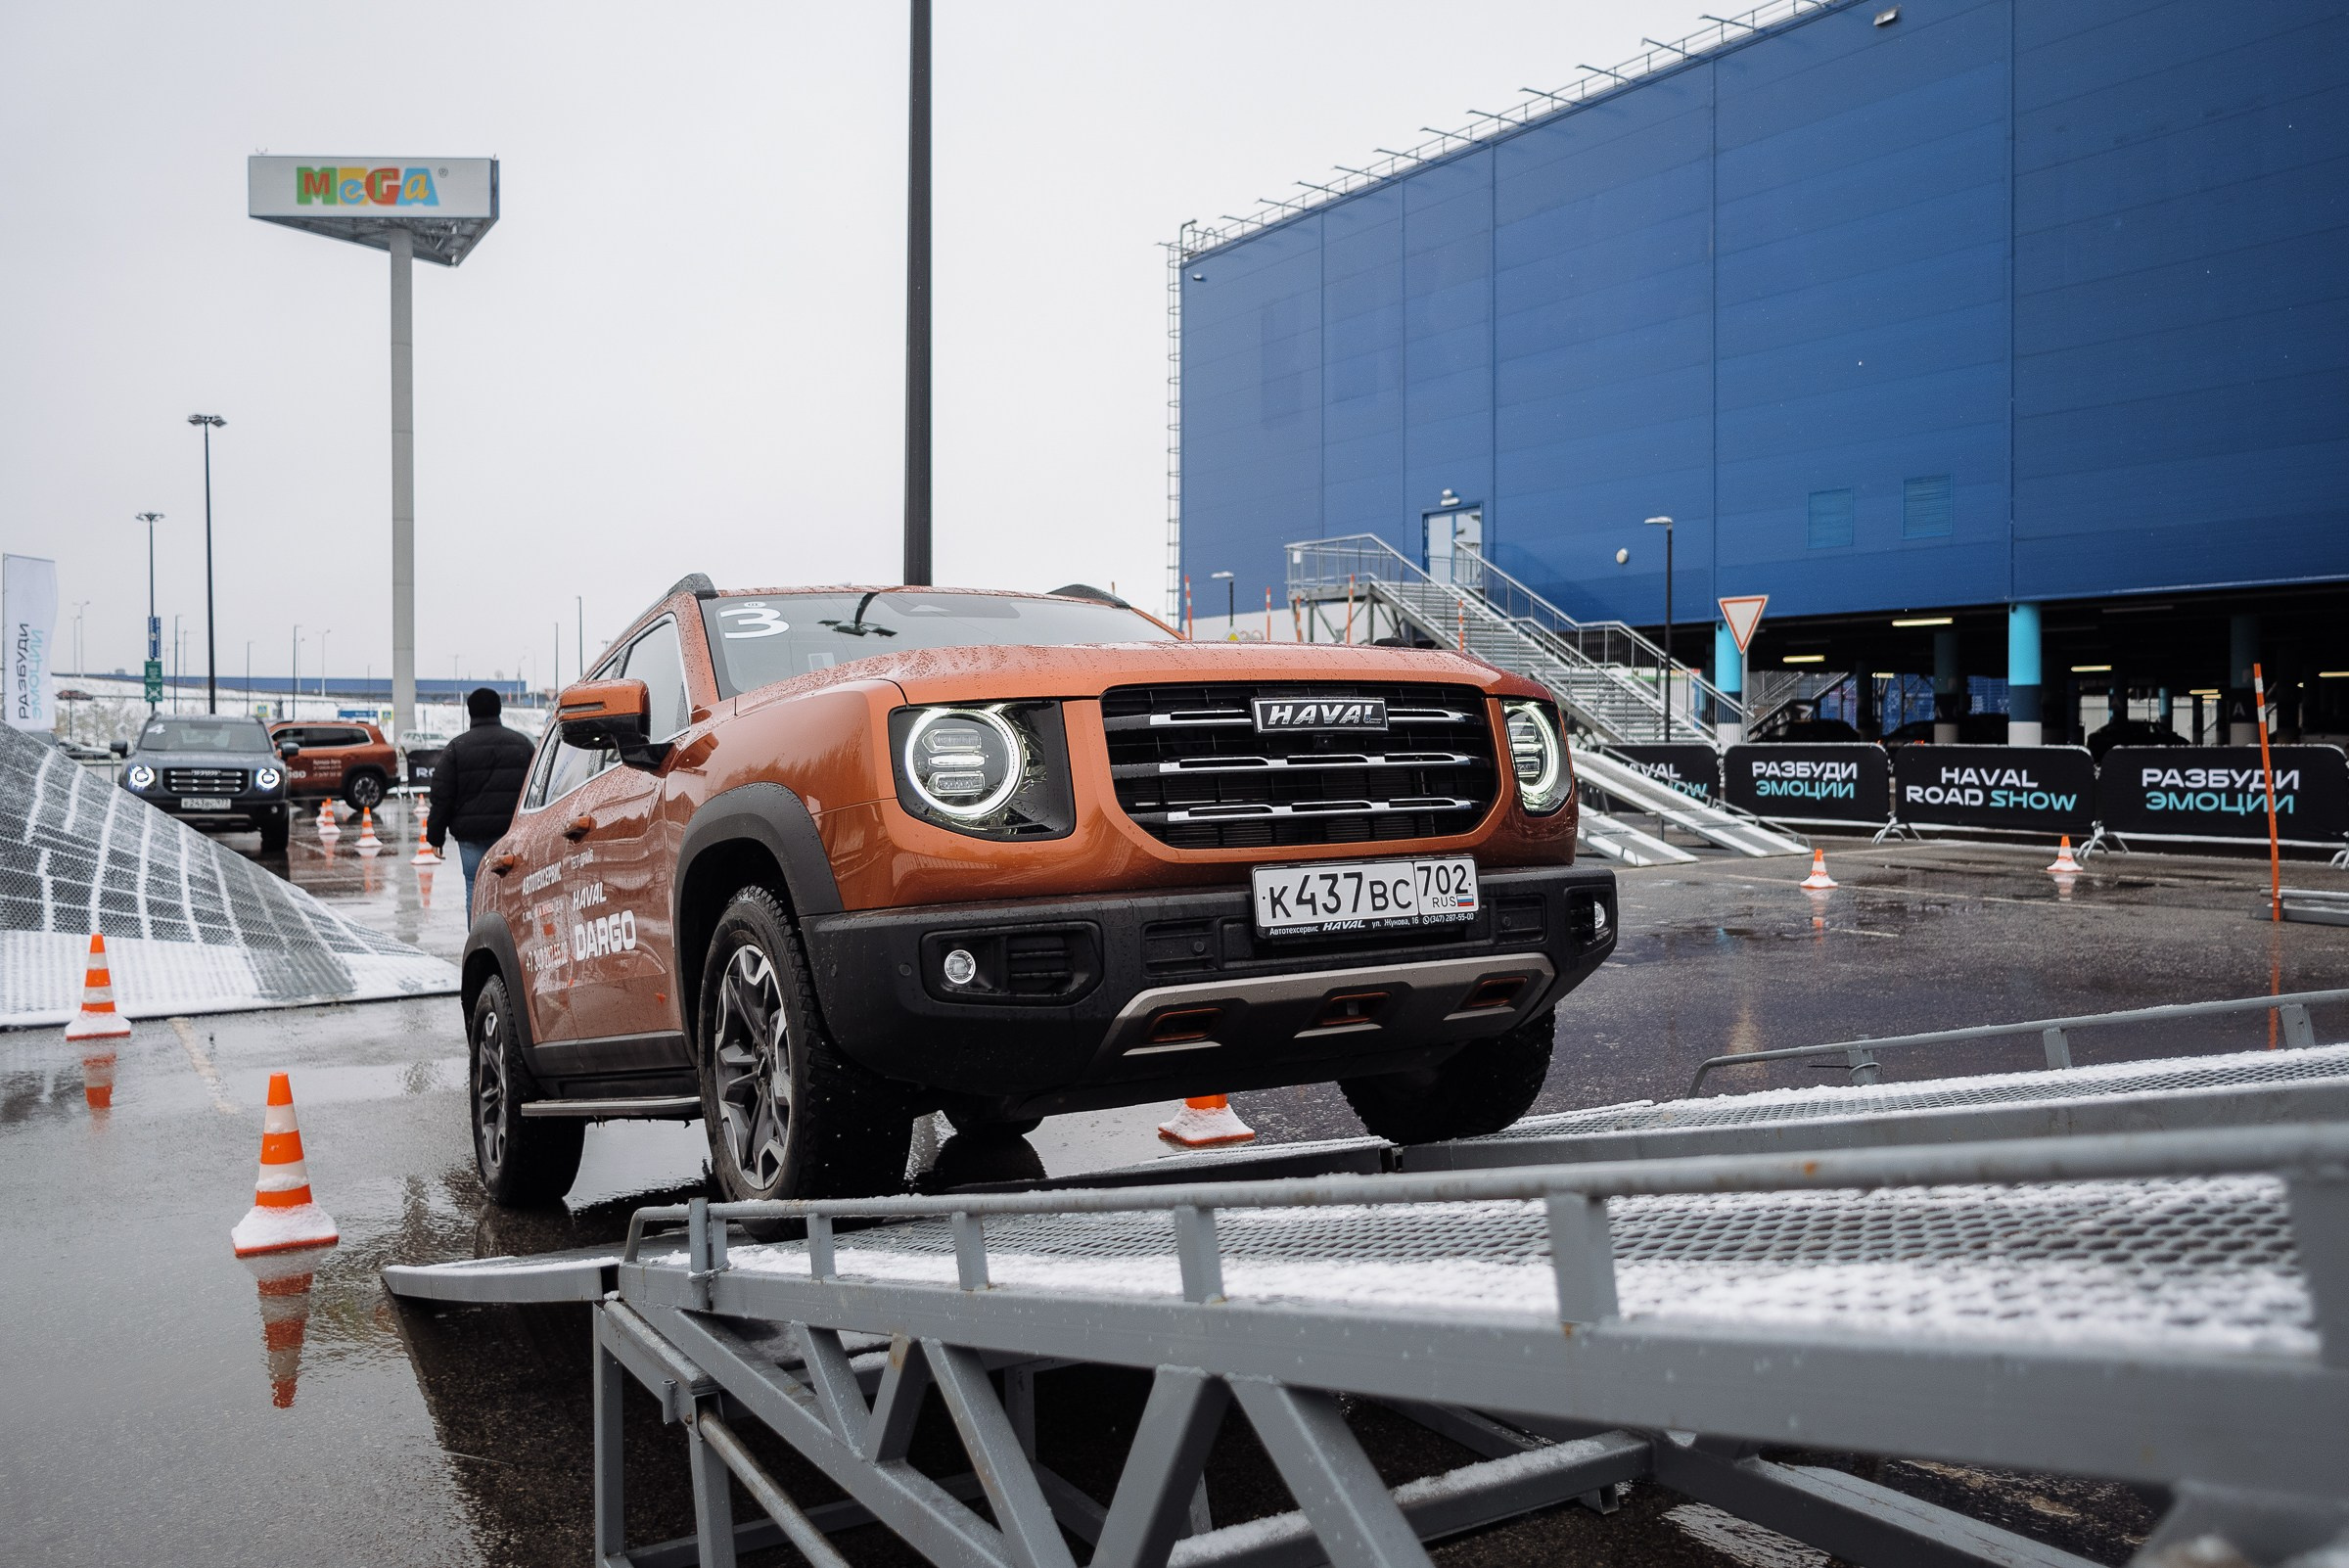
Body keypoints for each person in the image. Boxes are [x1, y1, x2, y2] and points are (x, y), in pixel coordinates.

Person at [428, 687, 536, 917]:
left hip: (471, 835)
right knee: (511, 888)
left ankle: (478, 944)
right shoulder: (522, 744)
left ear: (470, 713)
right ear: (499, 710)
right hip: (511, 833)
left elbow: (442, 795)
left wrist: (435, 836)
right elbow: (538, 788)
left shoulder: (457, 748)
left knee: (474, 888)